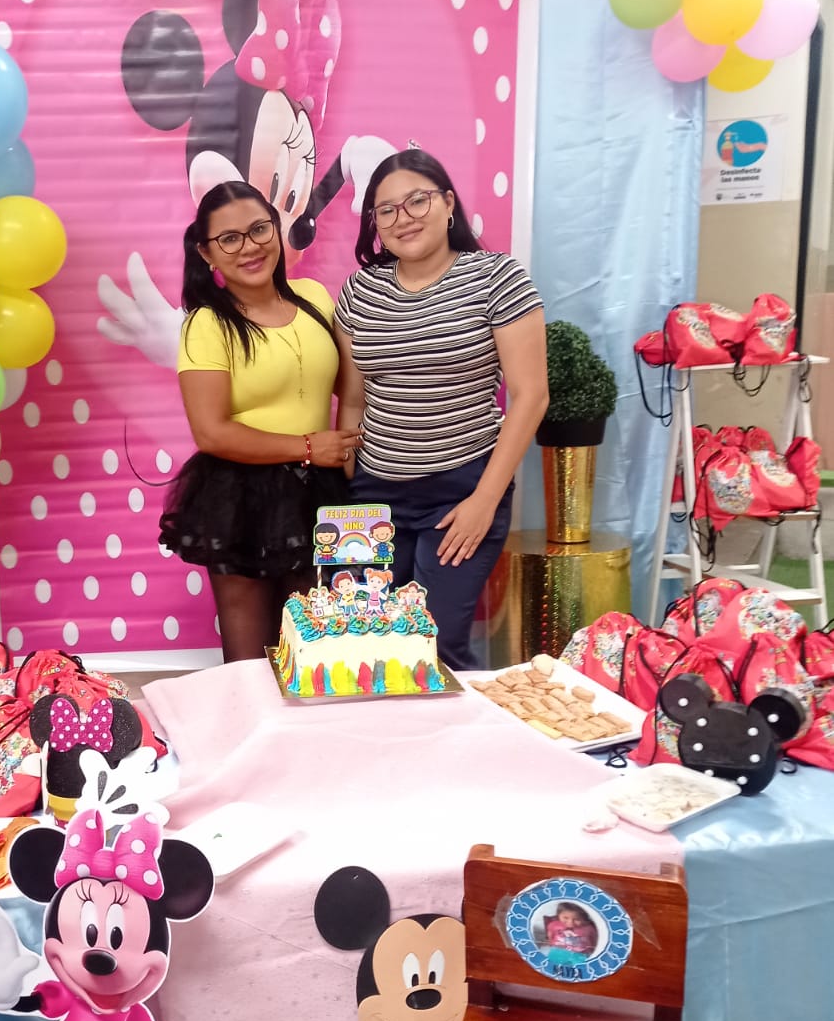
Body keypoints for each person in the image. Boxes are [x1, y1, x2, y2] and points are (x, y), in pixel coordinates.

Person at [335, 149, 548, 672]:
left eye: (418, 200)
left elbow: (531, 395)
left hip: (460, 491)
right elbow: (354, 399)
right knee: (367, 650)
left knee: (433, 650)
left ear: (448, 203)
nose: (403, 218)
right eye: (386, 210)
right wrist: (348, 485)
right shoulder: (360, 291)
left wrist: (485, 501)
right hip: (372, 494)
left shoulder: (497, 278)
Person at [159, 181, 358, 662]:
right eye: (229, 238)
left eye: (259, 229)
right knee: (250, 663)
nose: (249, 247)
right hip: (241, 497)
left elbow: (353, 388)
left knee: (318, 657)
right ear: (206, 252)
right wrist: (308, 446)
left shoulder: (314, 297)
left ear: (276, 228)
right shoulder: (207, 324)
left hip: (322, 488)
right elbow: (211, 432)